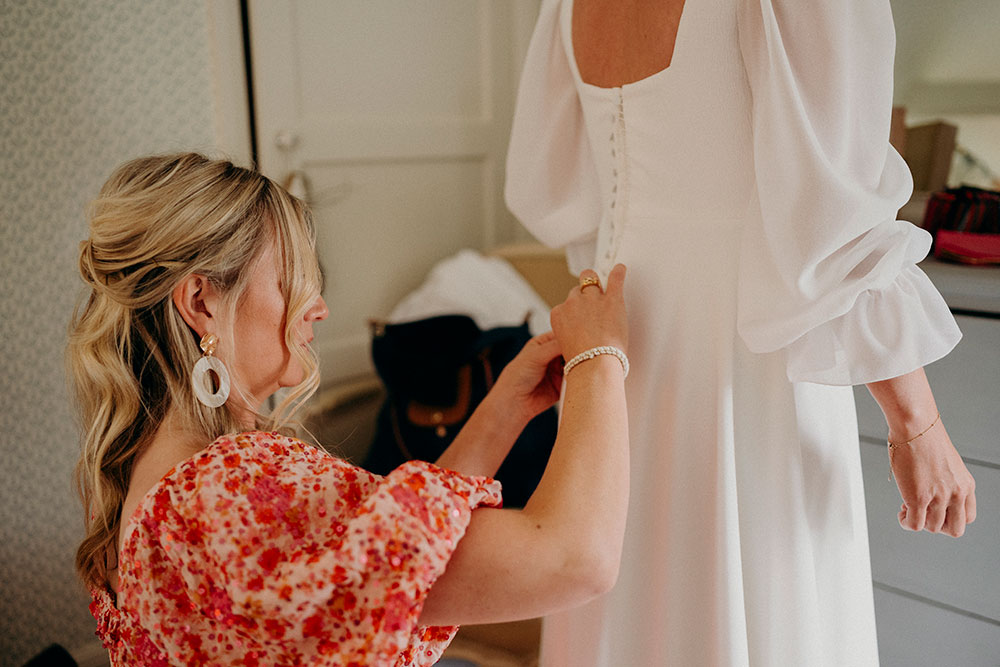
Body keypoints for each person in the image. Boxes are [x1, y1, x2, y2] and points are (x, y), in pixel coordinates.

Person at [505, 1, 977, 665]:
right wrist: (917, 424)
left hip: (614, 339)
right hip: (747, 351)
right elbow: (833, 220)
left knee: (627, 586)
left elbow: (567, 197)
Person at [69, 152, 630, 666]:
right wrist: (598, 357)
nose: (319, 307)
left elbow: (401, 551)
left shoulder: (143, 474)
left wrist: (505, 406)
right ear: (201, 302)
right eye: (291, 279)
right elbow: (575, 560)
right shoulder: (230, 489)